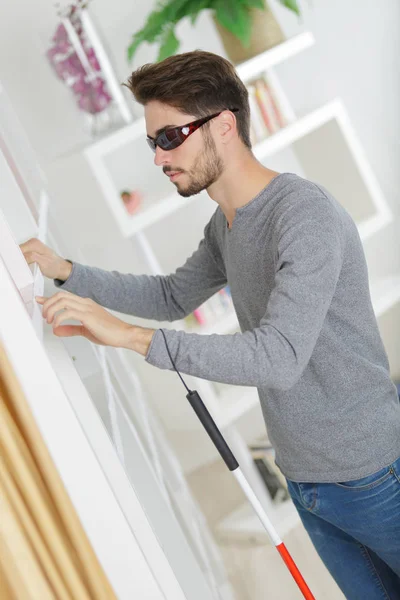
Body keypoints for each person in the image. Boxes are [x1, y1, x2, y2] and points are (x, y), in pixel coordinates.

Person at [21, 50, 400, 599]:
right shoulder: (227, 227)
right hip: (308, 479)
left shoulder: (303, 214)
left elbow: (277, 357)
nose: (158, 157)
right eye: (153, 142)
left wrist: (128, 337)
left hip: (373, 475)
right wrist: (66, 273)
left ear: (224, 124)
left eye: (170, 137)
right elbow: (172, 294)